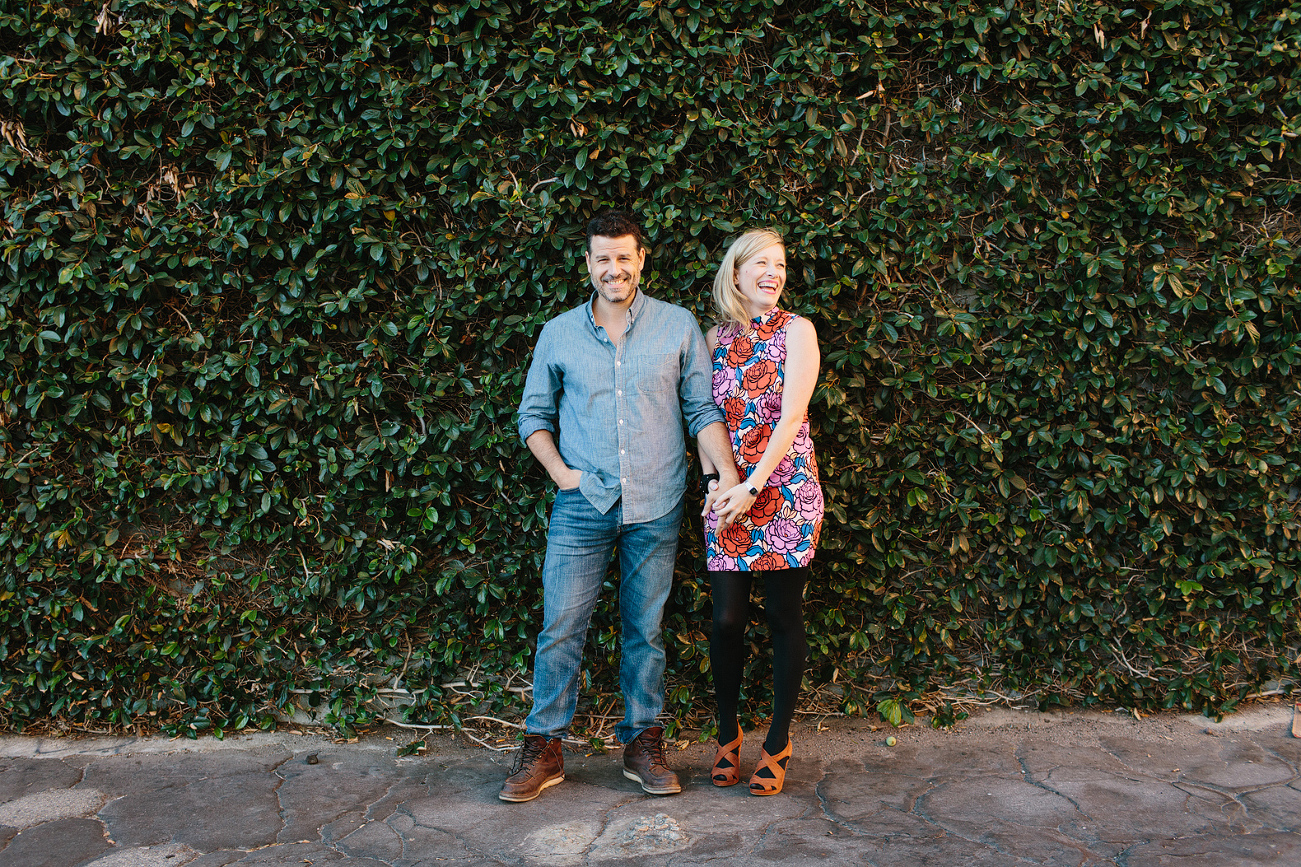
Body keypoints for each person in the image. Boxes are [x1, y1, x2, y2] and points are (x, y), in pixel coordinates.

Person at [502, 210, 740, 803]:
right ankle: (545, 746)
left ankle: (642, 742)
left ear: (641, 260)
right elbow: (533, 416)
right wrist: (562, 474)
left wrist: (731, 478)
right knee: (561, 627)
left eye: (624, 257)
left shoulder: (678, 326)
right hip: (583, 504)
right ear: (588, 264)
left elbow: (701, 411)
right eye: (603, 258)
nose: (614, 268)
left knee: (646, 631)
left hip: (657, 501)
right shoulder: (558, 333)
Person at [698, 228, 824, 796]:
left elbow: (792, 414)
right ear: (737, 273)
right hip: (727, 494)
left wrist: (753, 484)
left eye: (779, 264)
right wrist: (716, 481)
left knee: (781, 618)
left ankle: (777, 741)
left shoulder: (798, 331)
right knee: (726, 619)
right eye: (761, 264)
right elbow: (702, 415)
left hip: (786, 491)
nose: (773, 273)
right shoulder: (713, 338)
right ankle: (728, 735)